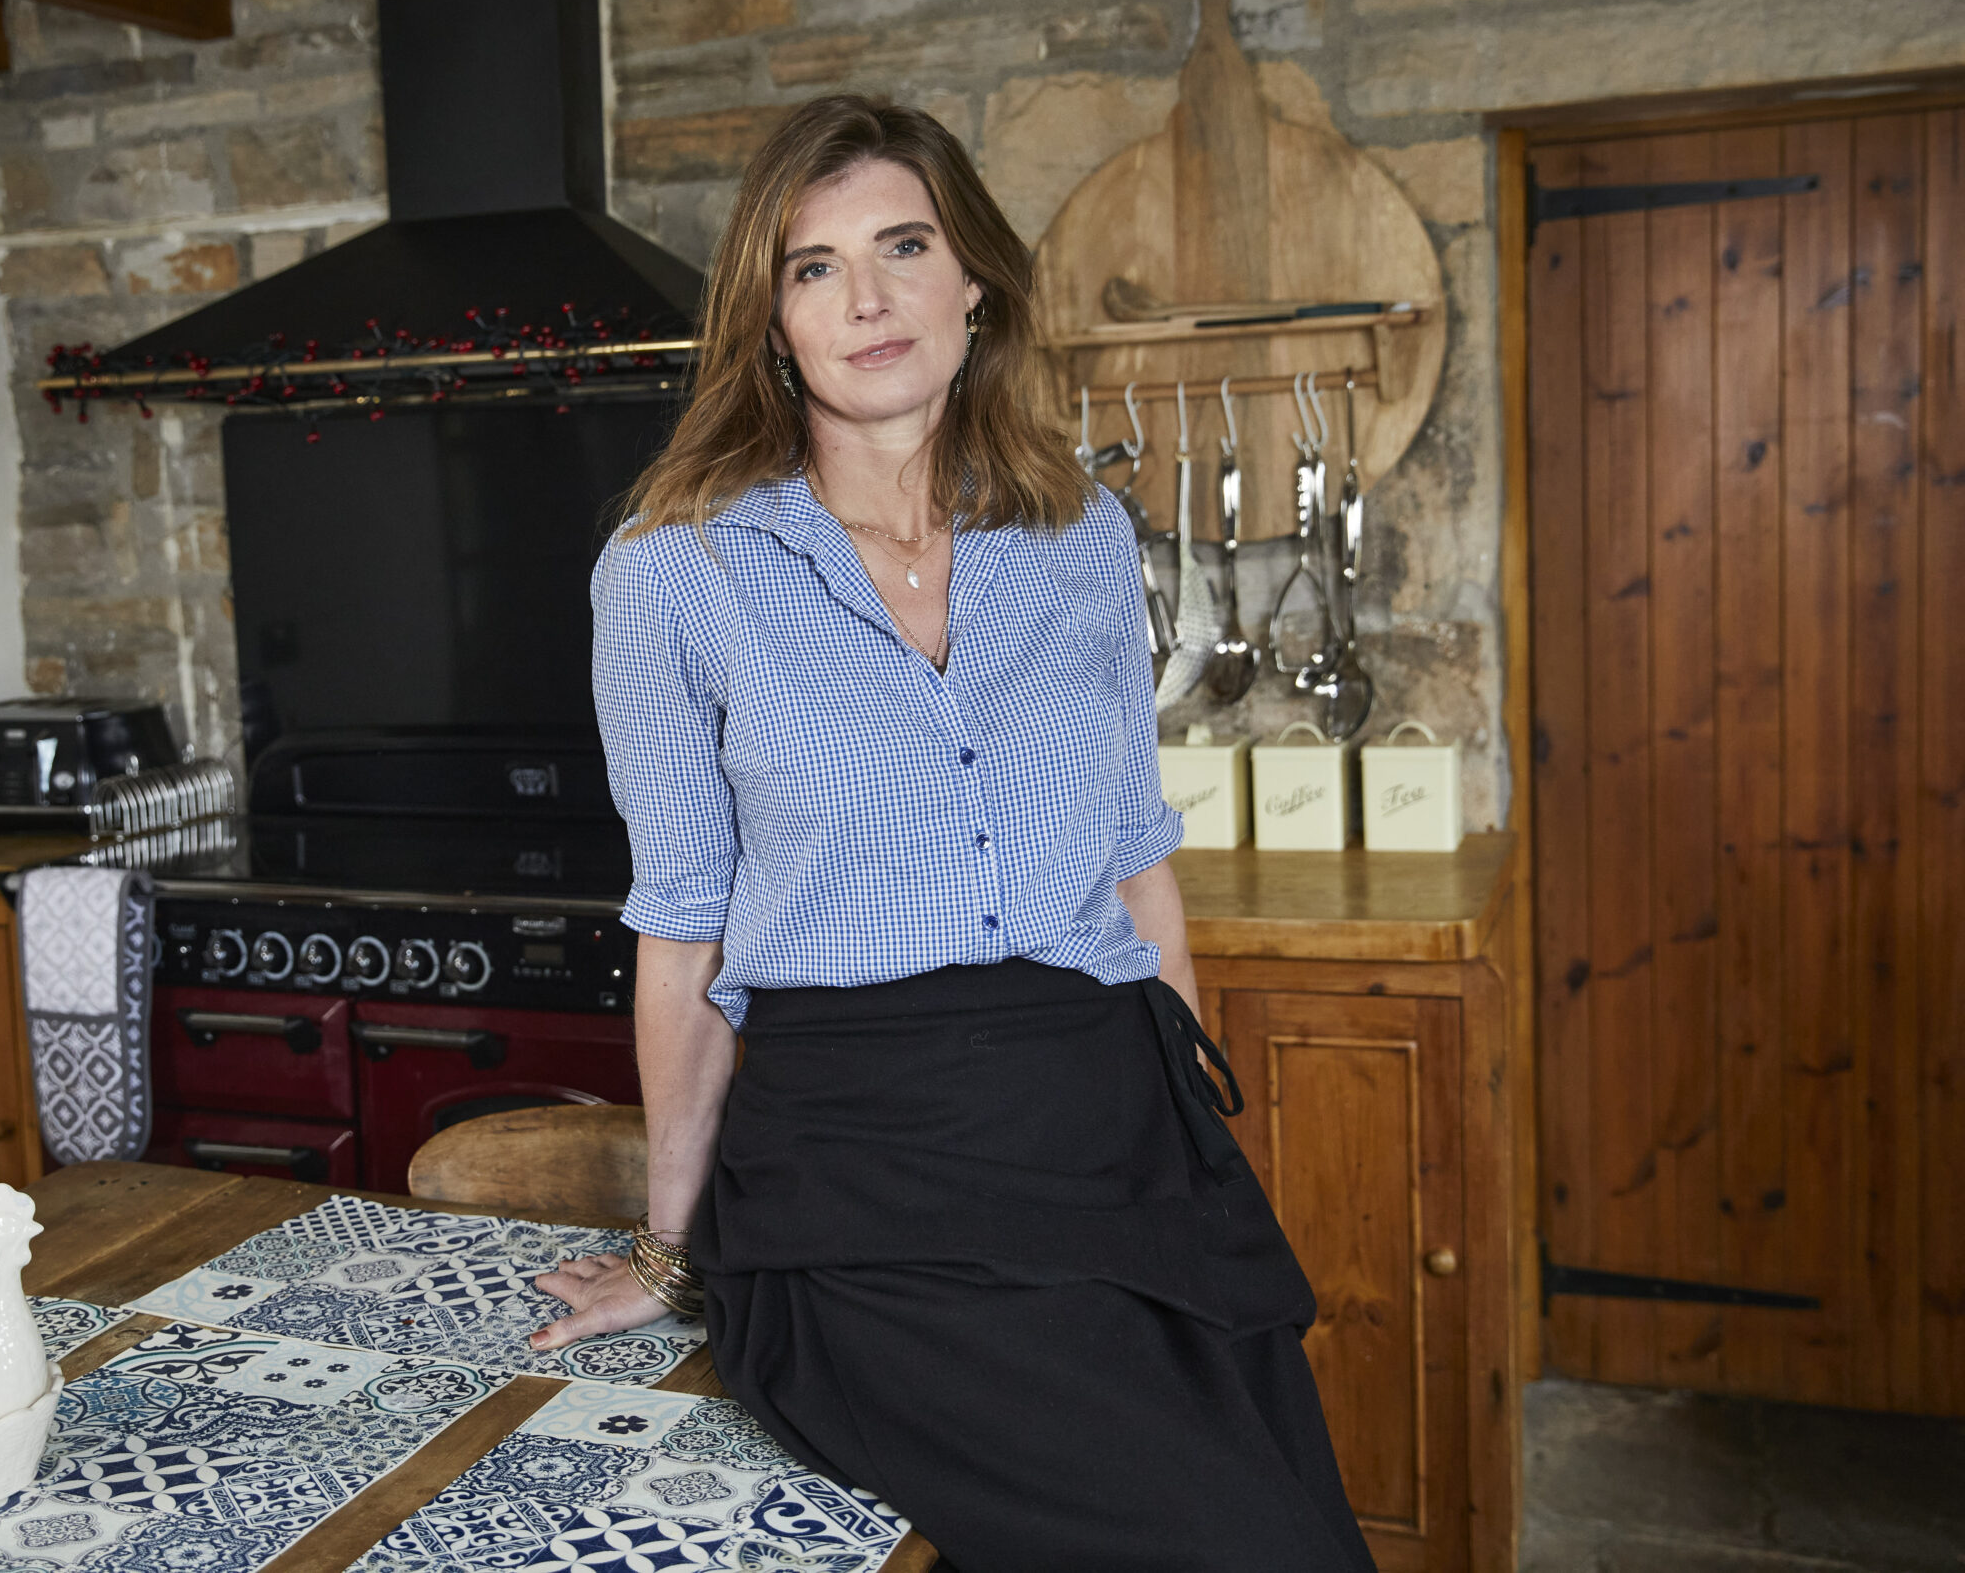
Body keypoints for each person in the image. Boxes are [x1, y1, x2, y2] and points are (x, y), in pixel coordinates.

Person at [533, 93, 1375, 1573]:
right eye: (812, 266)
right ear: (768, 317)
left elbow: (1132, 848)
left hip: (1110, 1132)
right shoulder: (675, 573)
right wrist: (677, 1253)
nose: (865, 299)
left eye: (903, 245)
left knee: (1291, 1528)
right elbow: (685, 926)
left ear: (971, 279)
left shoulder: (1082, 538)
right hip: (865, 1173)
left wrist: (1199, 1148)